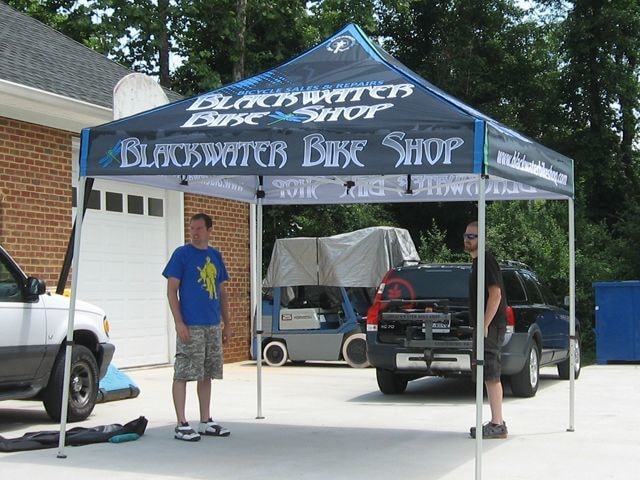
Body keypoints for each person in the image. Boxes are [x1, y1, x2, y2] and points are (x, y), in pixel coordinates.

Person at [162, 213, 233, 442]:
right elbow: (171, 290)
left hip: (212, 325)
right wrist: (179, 322)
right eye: (192, 228)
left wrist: (227, 324)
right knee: (183, 372)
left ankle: (205, 420)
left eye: (199, 228)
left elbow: (222, 292)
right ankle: (181, 423)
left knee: (207, 373)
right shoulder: (182, 254)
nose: (194, 232)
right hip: (190, 325)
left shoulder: (215, 255)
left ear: (209, 230)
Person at [464, 220, 508, 439]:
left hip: (491, 326)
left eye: (472, 236)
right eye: (466, 235)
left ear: (481, 239)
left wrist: (484, 324)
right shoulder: (477, 262)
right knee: (485, 372)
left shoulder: (486, 260)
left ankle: (497, 423)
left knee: (490, 372)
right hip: (485, 326)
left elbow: (496, 295)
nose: (467, 239)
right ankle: (495, 421)